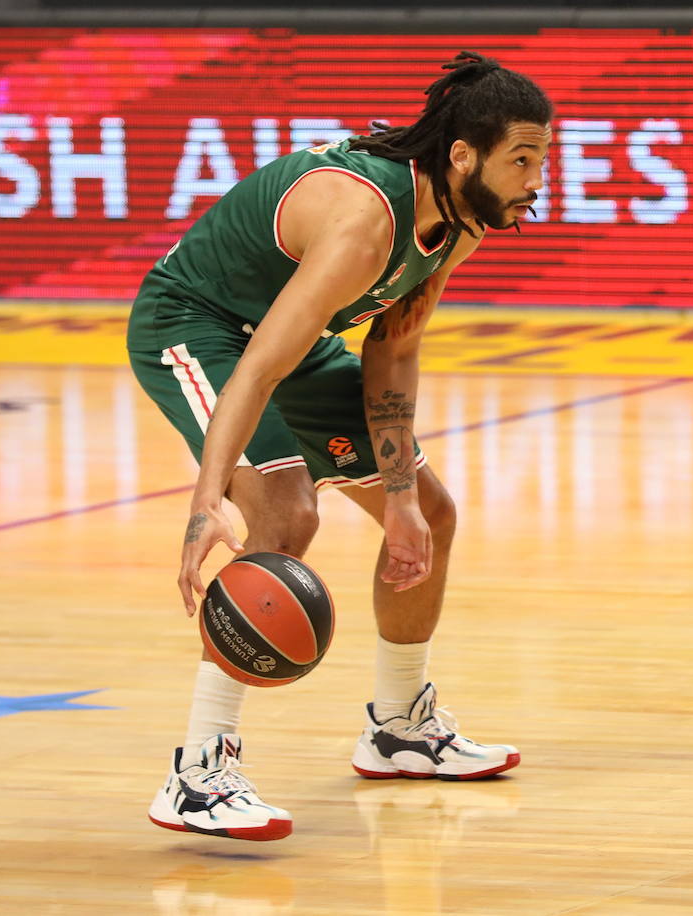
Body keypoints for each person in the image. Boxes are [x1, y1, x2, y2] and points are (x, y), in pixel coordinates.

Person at [127, 51, 552, 841]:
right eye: (522, 160)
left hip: (291, 337)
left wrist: (396, 500)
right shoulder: (366, 222)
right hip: (197, 326)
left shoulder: (458, 223)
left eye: (542, 160)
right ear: (463, 157)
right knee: (287, 518)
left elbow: (392, 354)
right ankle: (196, 774)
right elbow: (256, 368)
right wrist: (206, 503)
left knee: (431, 509)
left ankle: (398, 729)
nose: (537, 180)